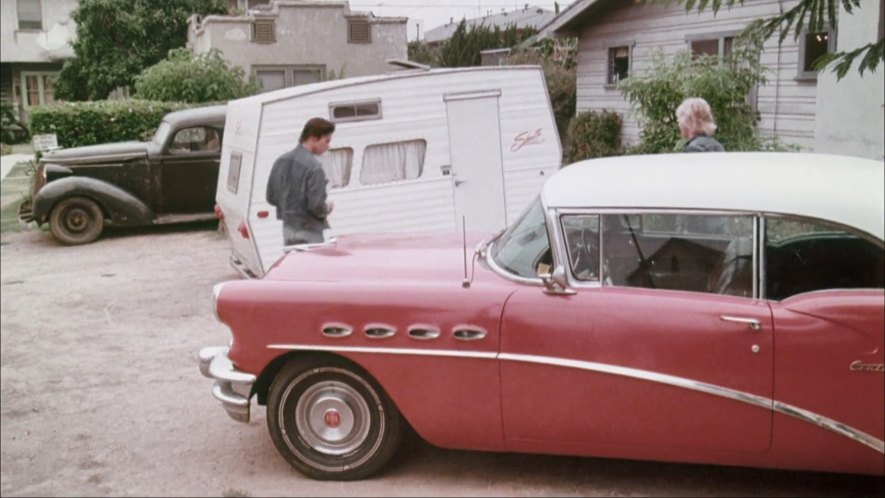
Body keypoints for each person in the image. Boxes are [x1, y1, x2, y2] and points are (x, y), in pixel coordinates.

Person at [266, 117, 336, 246]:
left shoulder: (280, 161)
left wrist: (288, 207)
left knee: (295, 265)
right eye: (326, 141)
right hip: (311, 231)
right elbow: (316, 207)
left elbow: (271, 197)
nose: (327, 146)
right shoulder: (314, 168)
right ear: (314, 138)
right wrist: (327, 208)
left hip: (288, 229)